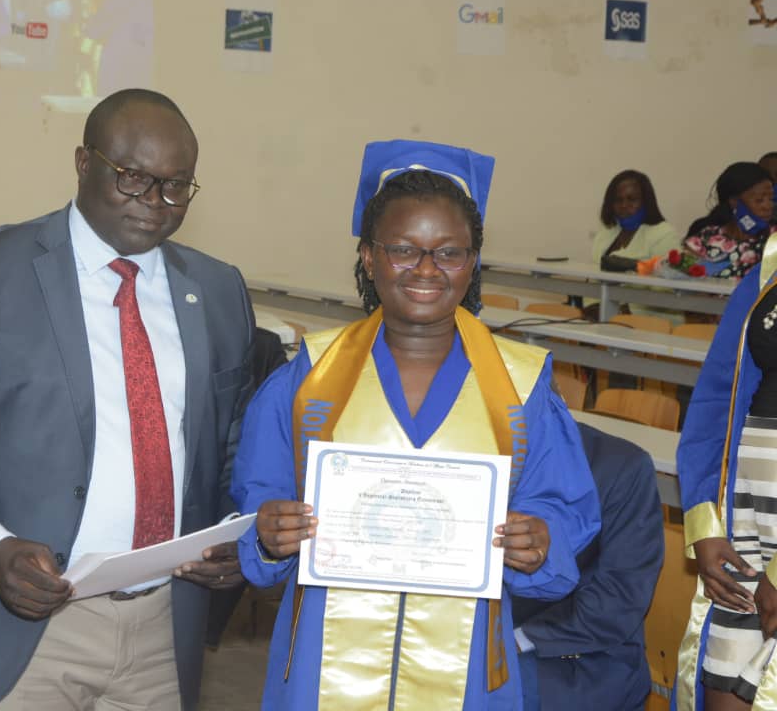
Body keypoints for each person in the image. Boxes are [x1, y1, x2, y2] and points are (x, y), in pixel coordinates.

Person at [0, 88, 255, 710]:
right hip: (16, 624)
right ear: (84, 163)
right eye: (133, 177)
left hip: (164, 630)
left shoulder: (217, 289)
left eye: (175, 186)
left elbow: (233, 443)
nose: (154, 203)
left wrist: (238, 539)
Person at [231, 139, 601, 710]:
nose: (426, 269)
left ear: (473, 262)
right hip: (324, 663)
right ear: (368, 256)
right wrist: (267, 533)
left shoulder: (521, 386)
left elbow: (563, 507)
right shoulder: (310, 378)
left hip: (467, 661)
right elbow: (255, 500)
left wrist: (541, 539)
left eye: (449, 252)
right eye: (403, 249)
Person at [676, 231, 777, 710]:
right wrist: (706, 524)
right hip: (746, 511)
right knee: (725, 676)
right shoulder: (766, 274)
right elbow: (716, 398)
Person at [513, 422, 663, 711]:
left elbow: (619, 599)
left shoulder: (621, 466)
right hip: (480, 639)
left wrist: (513, 640)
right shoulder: (466, 450)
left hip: (577, 655)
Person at [682, 162, 774, 279]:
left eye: (771, 199)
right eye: (759, 200)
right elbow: (682, 281)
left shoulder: (773, 239)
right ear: (734, 202)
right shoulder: (705, 239)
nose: (768, 206)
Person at [591, 169, 679, 267]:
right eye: (618, 200)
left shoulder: (664, 234)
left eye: (632, 199)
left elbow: (669, 273)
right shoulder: (607, 231)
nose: (624, 205)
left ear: (646, 201)